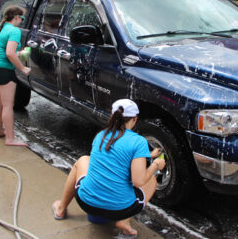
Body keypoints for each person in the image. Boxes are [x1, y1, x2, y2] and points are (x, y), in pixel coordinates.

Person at [52, 99, 165, 238]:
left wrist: (147, 155)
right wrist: (155, 165)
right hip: (120, 210)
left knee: (83, 160)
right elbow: (138, 181)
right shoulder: (138, 142)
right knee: (151, 181)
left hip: (86, 202)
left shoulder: (101, 135)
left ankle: (61, 209)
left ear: (113, 116)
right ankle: (124, 222)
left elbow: (117, 155)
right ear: (135, 119)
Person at [0, 5, 30, 146]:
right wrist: (22, 68)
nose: (22, 21)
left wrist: (18, 54)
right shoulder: (14, 31)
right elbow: (9, 53)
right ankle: (10, 138)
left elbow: (2, 50)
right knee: (8, 105)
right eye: (22, 18)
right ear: (17, 17)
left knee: (0, 103)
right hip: (3, 69)